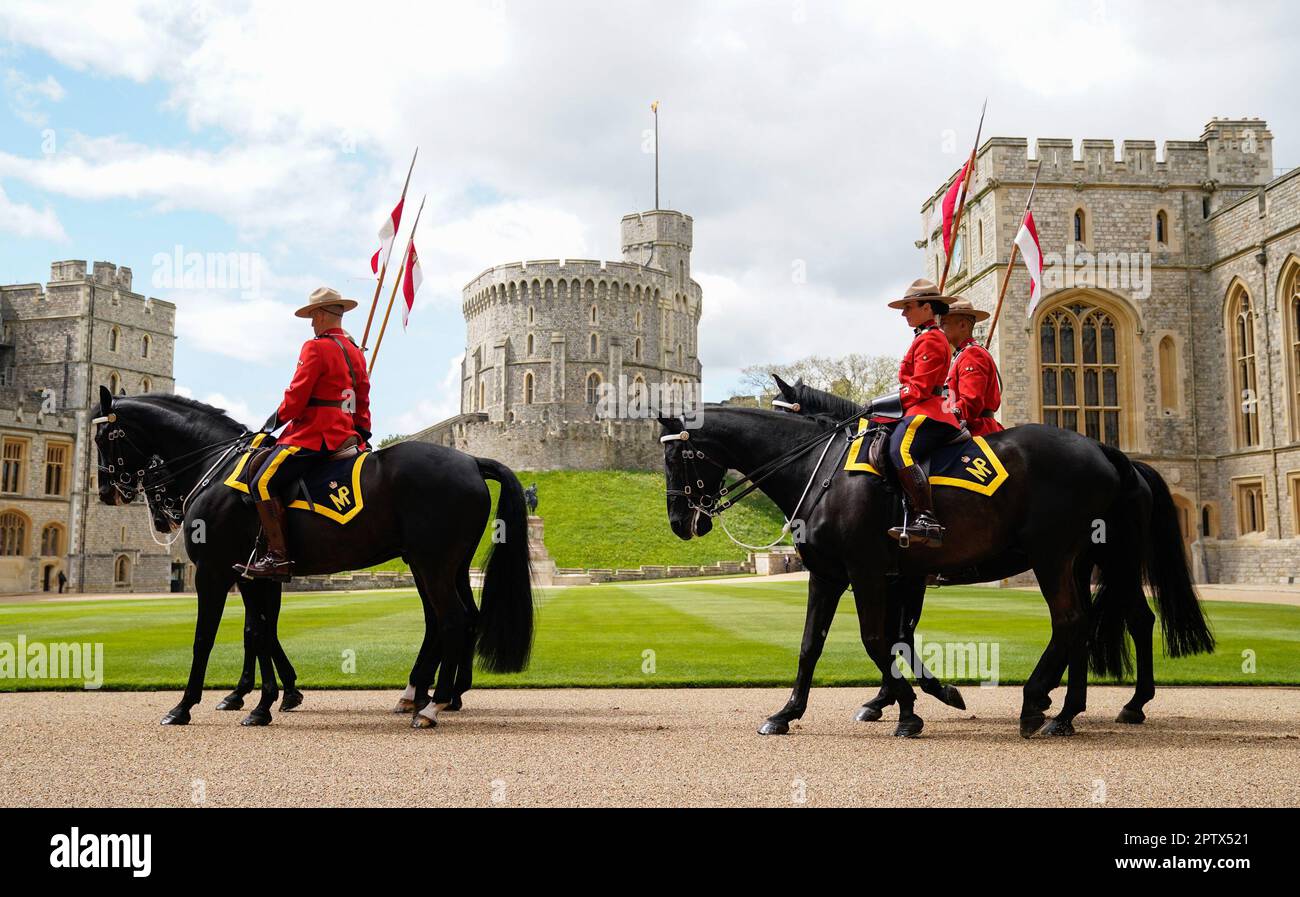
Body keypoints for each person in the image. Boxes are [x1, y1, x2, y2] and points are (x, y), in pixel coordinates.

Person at [234, 287, 372, 580]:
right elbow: (363, 397)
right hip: (346, 435)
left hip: (315, 436)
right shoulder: (355, 353)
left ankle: (278, 557)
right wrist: (362, 431)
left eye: (312, 316)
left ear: (321, 315)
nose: (311, 323)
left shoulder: (315, 347)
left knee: (261, 482)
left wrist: (270, 425)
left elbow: (296, 399)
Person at [884, 278, 963, 547]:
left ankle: (926, 518)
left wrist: (886, 401)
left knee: (900, 450)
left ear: (927, 308)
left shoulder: (931, 339)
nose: (904, 313)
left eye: (909, 307)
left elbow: (919, 387)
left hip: (930, 411)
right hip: (920, 407)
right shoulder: (924, 336)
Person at [939, 299, 1004, 438]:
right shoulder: (960, 355)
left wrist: (942, 419)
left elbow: (971, 402)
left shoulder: (972, 354)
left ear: (962, 325)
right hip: (963, 426)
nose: (940, 329)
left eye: (944, 323)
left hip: (976, 431)